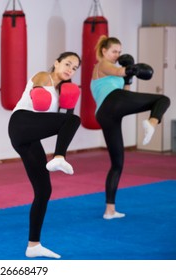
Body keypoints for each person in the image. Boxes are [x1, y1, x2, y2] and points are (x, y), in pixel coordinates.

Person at [8, 52, 82, 259]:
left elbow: (62, 124)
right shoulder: (43, 76)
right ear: (56, 62)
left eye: (75, 68)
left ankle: (33, 245)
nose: (70, 69)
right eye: (67, 64)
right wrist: (41, 91)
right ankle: (59, 157)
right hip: (20, 123)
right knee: (74, 120)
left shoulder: (63, 92)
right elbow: (39, 97)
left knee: (44, 190)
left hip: (29, 137)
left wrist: (68, 103)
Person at [91, 36, 170, 220]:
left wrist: (129, 78)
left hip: (107, 113)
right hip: (111, 102)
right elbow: (116, 71)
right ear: (104, 51)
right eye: (114, 51)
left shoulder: (115, 71)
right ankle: (151, 123)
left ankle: (109, 210)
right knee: (163, 99)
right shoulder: (103, 65)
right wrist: (130, 69)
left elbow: (126, 94)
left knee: (117, 164)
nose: (117, 54)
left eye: (119, 51)